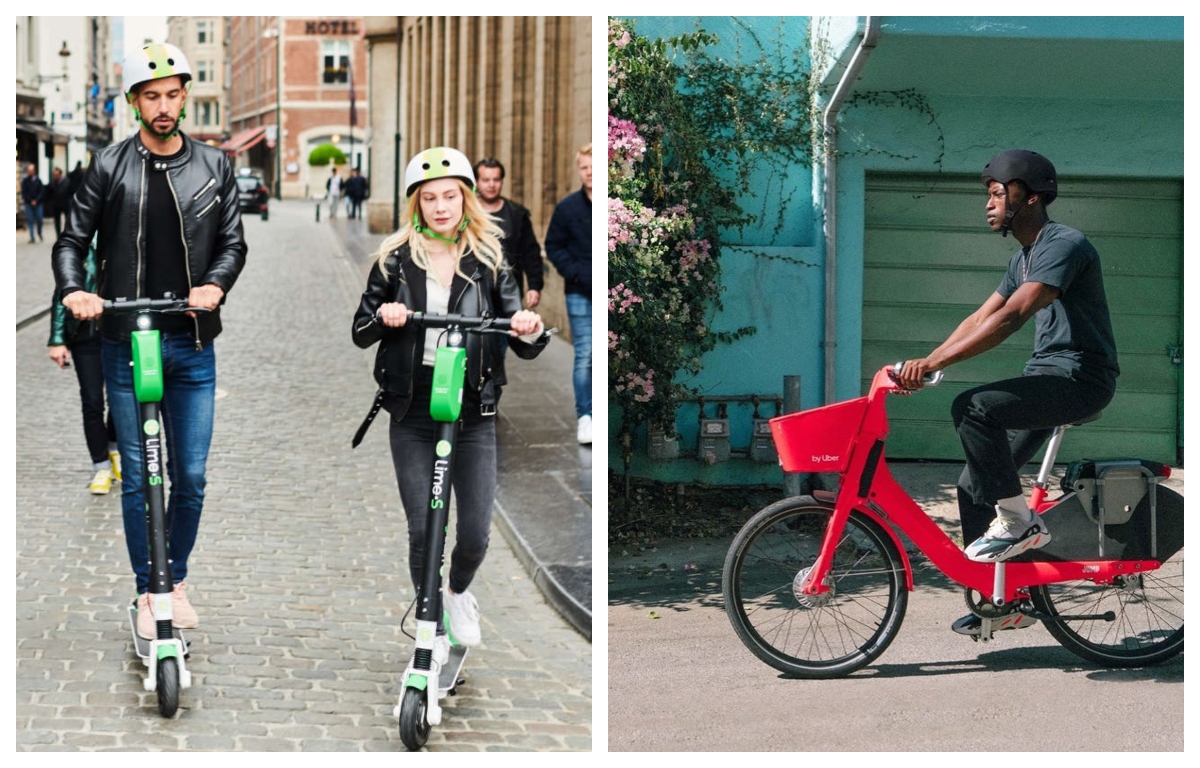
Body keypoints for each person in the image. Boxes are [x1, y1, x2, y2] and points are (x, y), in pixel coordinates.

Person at [52, 42, 248, 640]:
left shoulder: (215, 166)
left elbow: (233, 243)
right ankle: (148, 590)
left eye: (171, 95)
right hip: (125, 339)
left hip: (189, 342)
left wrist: (214, 284)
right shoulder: (108, 166)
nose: (163, 106)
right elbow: (70, 241)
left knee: (189, 474)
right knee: (139, 477)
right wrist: (73, 291)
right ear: (135, 101)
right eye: (150, 97)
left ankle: (176, 579)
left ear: (184, 96)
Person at [896, 149, 1118, 636]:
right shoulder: (1024, 257)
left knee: (974, 408)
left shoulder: (1065, 245)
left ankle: (1020, 524)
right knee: (974, 484)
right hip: (1048, 377)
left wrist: (934, 364)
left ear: (1030, 196)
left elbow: (1012, 316)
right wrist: (921, 365)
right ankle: (1001, 602)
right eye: (989, 195)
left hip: (1080, 379)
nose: (989, 203)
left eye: (998, 193)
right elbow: (979, 317)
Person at [351, 146, 549, 663]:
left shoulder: (490, 261)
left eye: (450, 196)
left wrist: (528, 327)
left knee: (476, 534)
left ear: (466, 200)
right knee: (423, 529)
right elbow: (360, 329)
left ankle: (458, 592)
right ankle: (429, 620)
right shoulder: (395, 259)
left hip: (473, 411)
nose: (441, 207)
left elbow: (520, 331)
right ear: (416, 203)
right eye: (430, 198)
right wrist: (388, 315)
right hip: (414, 411)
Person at [48, 240, 121, 494]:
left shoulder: (124, 237)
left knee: (119, 397)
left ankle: (114, 448)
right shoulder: (78, 244)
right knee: (92, 401)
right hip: (84, 335)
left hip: (118, 332)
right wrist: (57, 340)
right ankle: (101, 466)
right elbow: (60, 295)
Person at [545, 143, 593, 444]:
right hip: (579, 292)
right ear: (578, 170)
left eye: (595, 167)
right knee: (585, 355)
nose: (590, 173)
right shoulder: (567, 207)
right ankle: (585, 416)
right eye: (585, 167)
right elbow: (553, 245)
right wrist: (574, 272)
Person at [474, 158, 544, 308]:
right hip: (475, 292)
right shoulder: (466, 212)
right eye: (486, 180)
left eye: (496, 179)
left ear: (502, 181)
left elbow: (530, 252)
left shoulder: (517, 214)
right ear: (476, 182)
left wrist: (534, 286)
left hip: (509, 293)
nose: (491, 185)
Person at [21, 163, 45, 244]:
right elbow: (24, 192)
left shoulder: (38, 180)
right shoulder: (25, 181)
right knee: (30, 220)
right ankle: (32, 237)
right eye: (29, 171)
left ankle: (39, 233)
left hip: (38, 203)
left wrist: (36, 200)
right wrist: (30, 200)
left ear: (34, 171)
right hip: (29, 203)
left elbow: (41, 192)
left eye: (31, 170)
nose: (30, 172)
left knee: (39, 219)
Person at [47, 167, 73, 240]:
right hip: (56, 205)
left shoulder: (67, 182)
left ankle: (66, 235)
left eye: (57, 174)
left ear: (60, 174)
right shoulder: (52, 182)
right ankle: (58, 236)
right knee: (57, 222)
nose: (55, 176)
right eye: (54, 175)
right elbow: (49, 194)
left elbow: (71, 192)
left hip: (65, 204)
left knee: (67, 221)